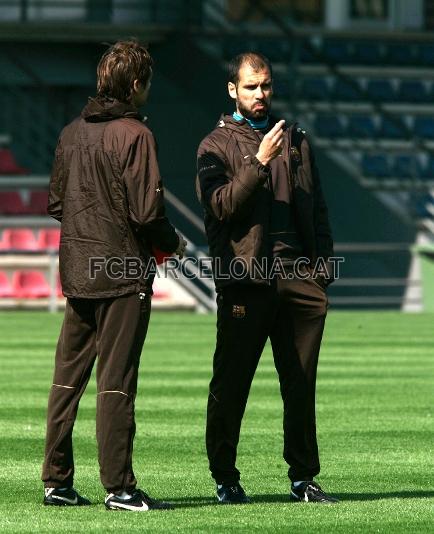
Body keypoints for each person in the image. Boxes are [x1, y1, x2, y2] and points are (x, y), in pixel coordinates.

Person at [41, 40, 186, 512]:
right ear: (137, 83)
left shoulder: (69, 133)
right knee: (117, 382)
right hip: (123, 274)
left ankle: (56, 481)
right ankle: (119, 487)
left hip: (78, 270)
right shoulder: (135, 135)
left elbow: (58, 205)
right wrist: (175, 243)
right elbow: (148, 215)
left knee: (67, 379)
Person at [196, 52, 337, 504]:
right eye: (252, 86)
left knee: (300, 384)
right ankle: (224, 478)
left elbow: (317, 210)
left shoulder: (295, 138)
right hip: (245, 280)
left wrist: (322, 272)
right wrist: (258, 161)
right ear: (232, 90)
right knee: (232, 382)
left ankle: (303, 478)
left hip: (299, 278)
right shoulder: (214, 146)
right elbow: (220, 207)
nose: (261, 94)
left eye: (267, 86)